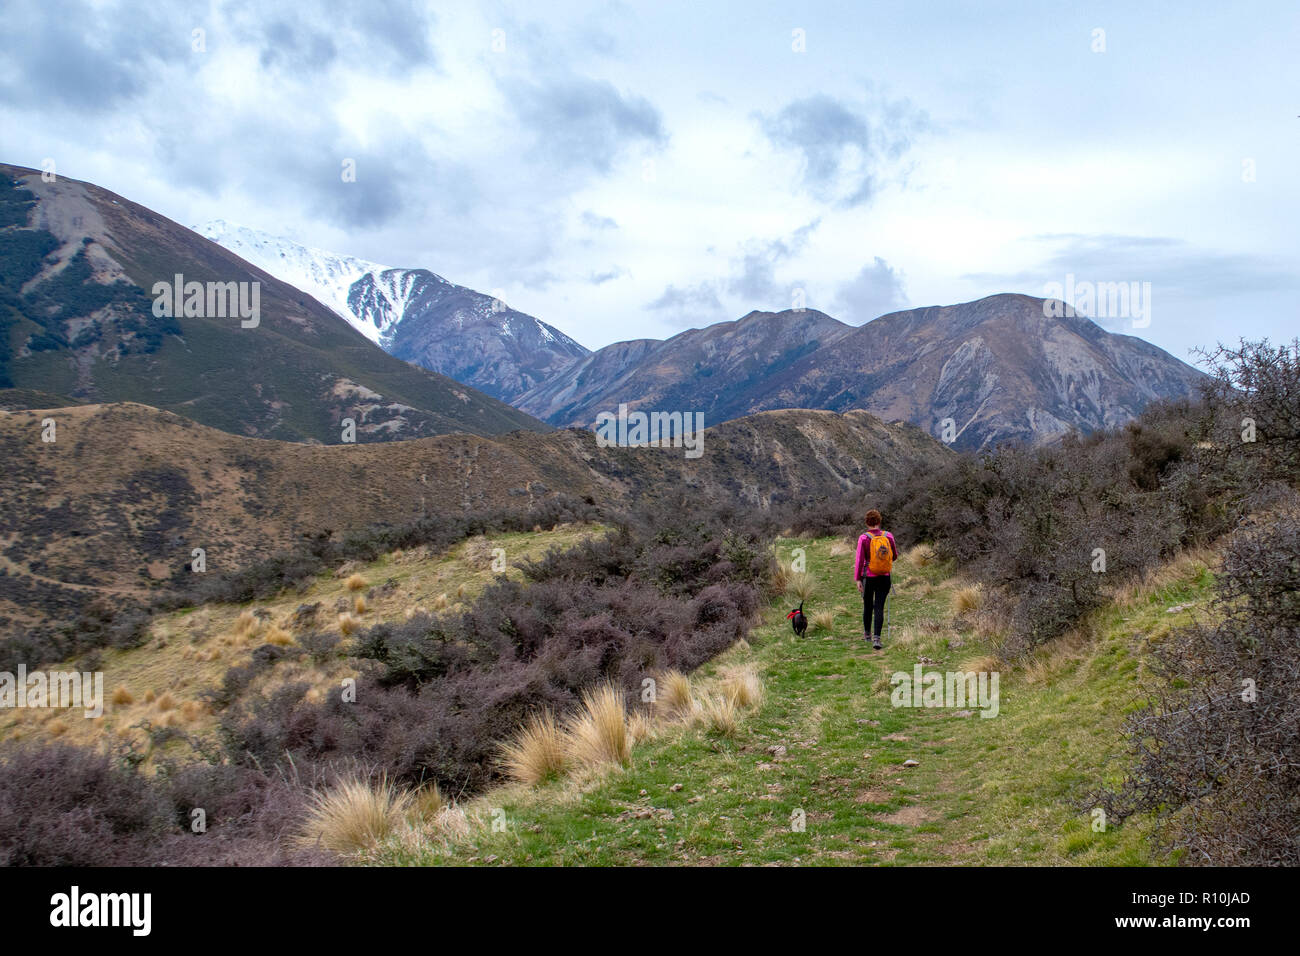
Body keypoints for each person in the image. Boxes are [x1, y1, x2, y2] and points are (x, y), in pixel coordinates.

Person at [853, 509, 897, 650]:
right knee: (879, 607)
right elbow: (894, 556)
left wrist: (858, 579)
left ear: (867, 522)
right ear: (879, 521)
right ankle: (877, 639)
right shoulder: (888, 536)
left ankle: (867, 634)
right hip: (884, 576)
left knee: (867, 605)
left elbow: (859, 560)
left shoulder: (864, 538)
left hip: (868, 578)